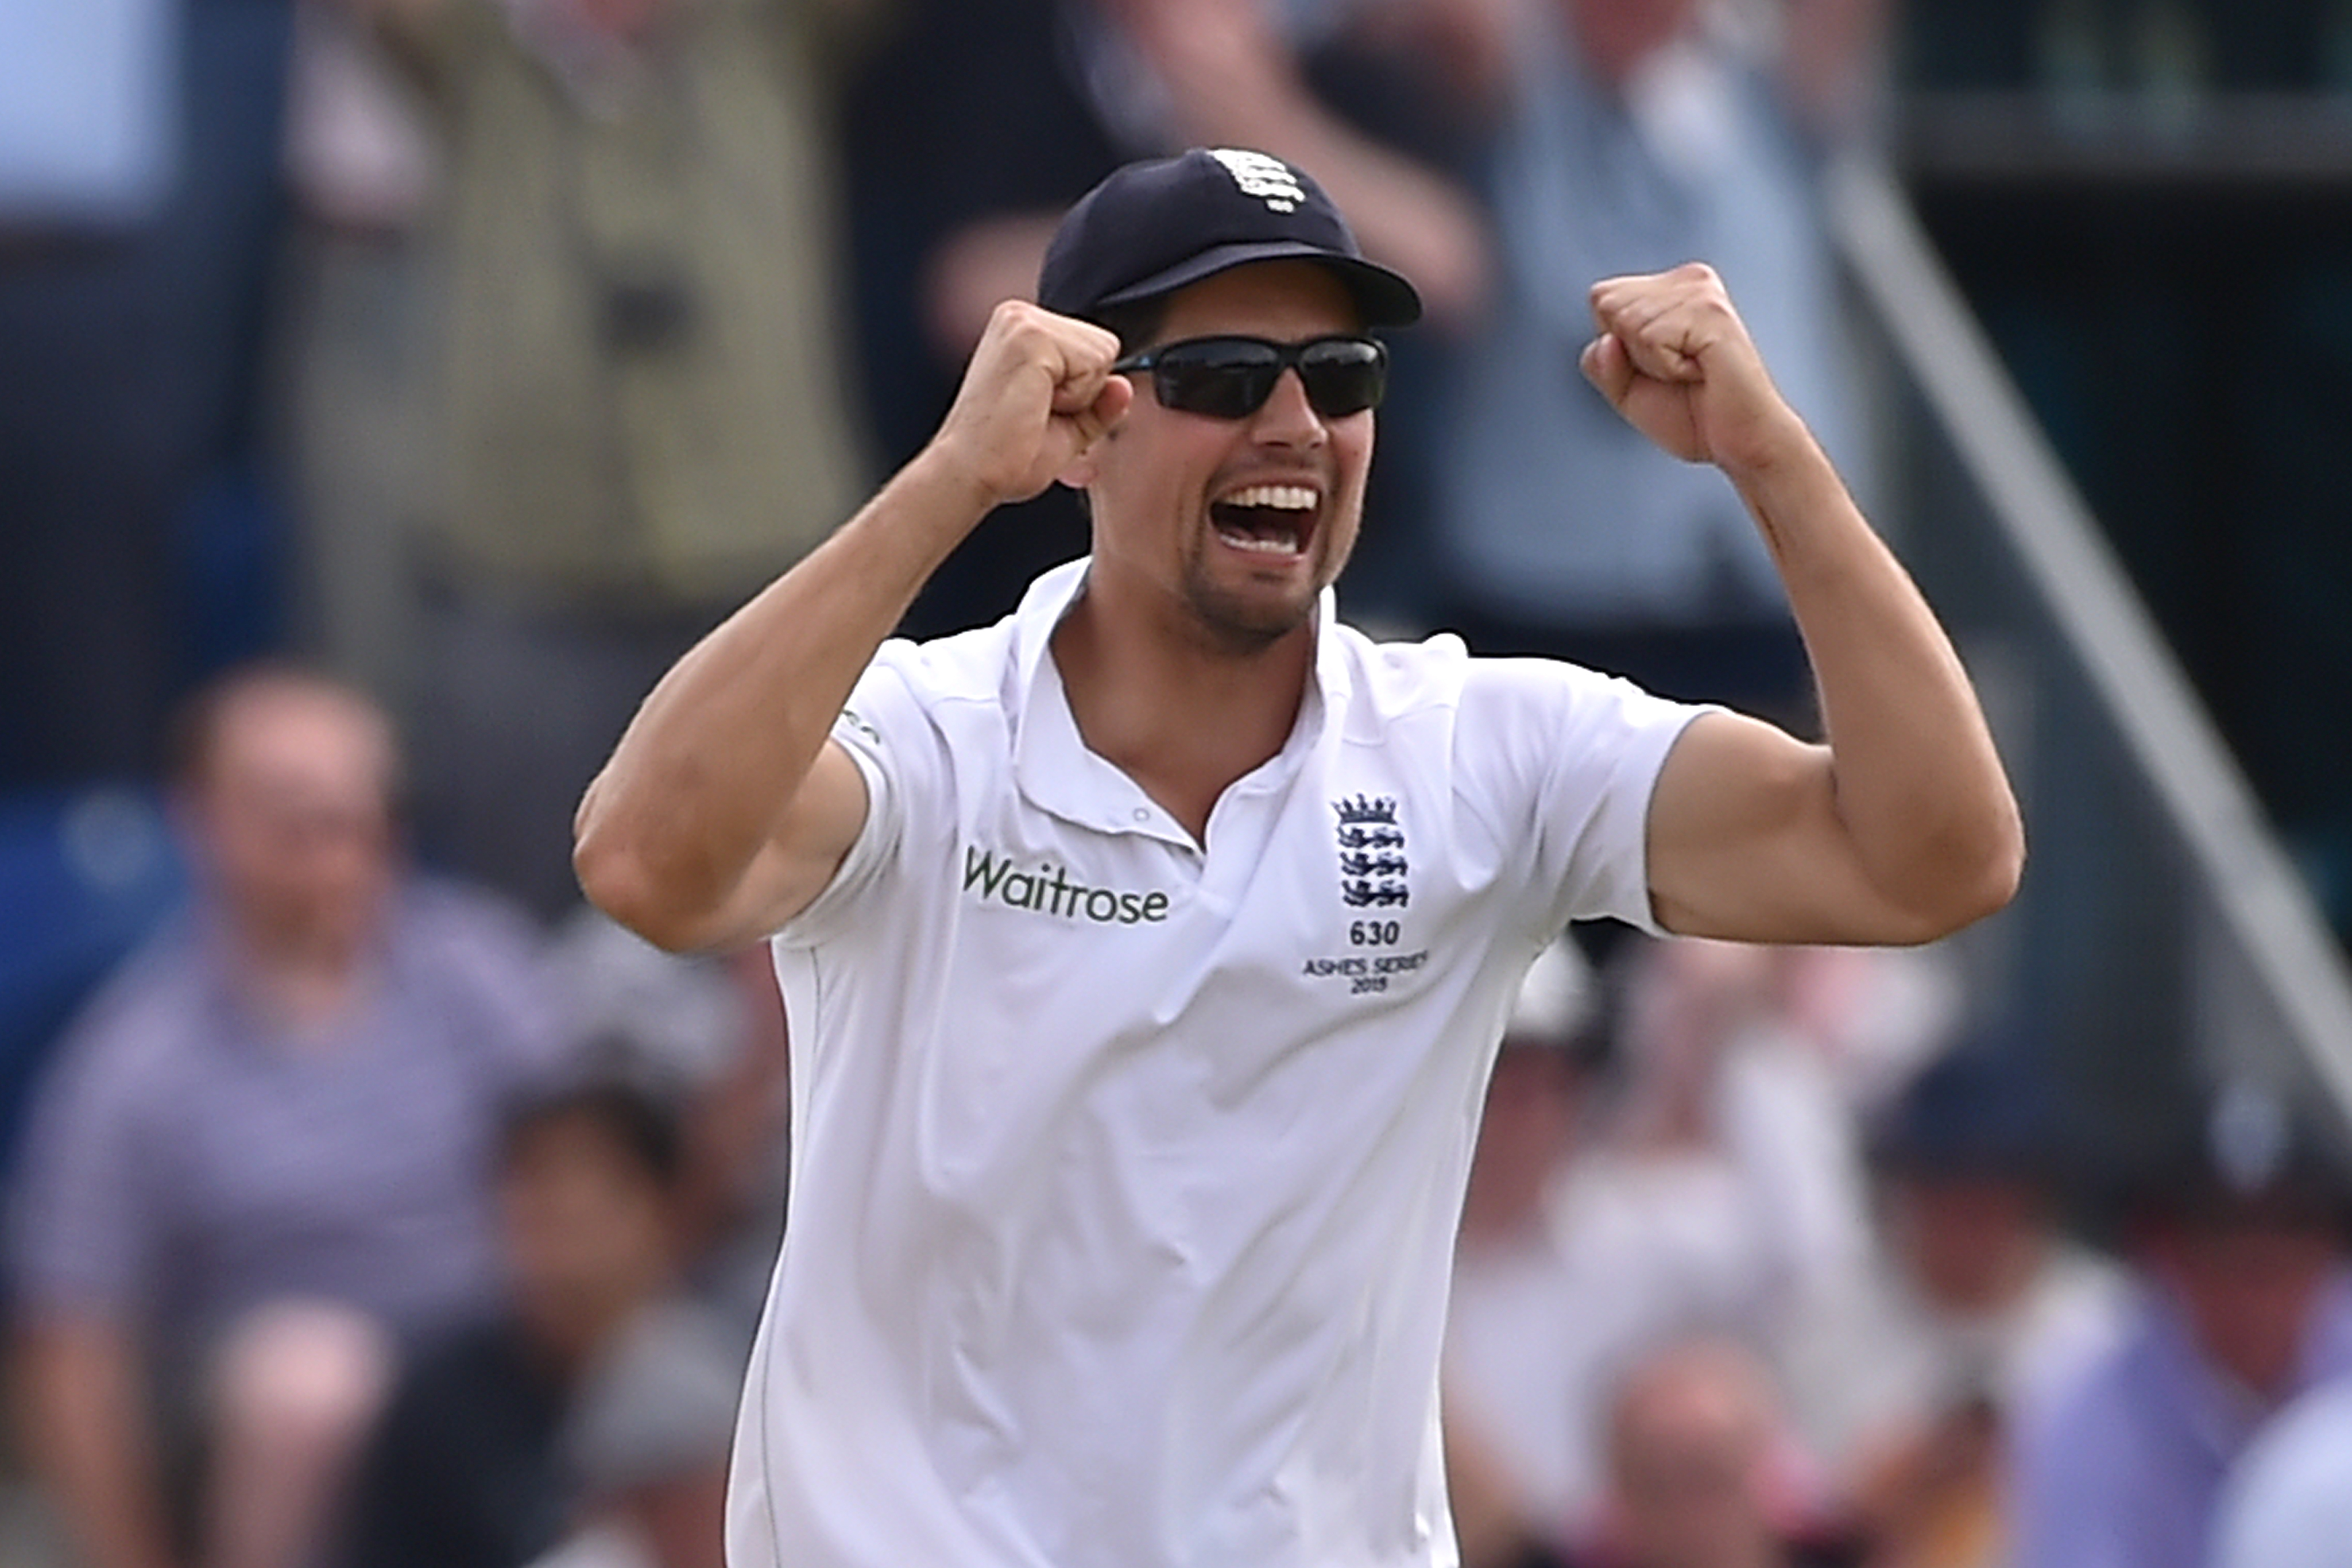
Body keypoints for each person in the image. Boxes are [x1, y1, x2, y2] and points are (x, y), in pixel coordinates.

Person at [571, 145, 2022, 1566]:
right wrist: (949, 483)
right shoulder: (921, 737)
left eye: (1340, 380)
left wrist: (1773, 461)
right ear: (1085, 415)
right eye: (1220, 379)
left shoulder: (1477, 749)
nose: (1294, 425)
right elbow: (646, 864)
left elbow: (1932, 863)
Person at [5, 664, 572, 1568]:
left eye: (362, 809)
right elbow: (72, 1337)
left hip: (505, 1367)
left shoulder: (482, 969)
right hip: (269, 1417)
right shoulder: (136, 1056)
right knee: (310, 1384)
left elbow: (593, 1172)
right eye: (294, 812)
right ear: (203, 819)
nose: (337, 843)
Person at [336, 1078, 738, 1568]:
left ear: (662, 1210)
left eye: (588, 1201)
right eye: (534, 1194)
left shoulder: (733, 1381)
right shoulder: (439, 1398)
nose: (560, 1232)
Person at [2004, 1076, 2352, 1568]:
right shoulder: (2088, 1414)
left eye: (2281, 1256)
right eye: (2224, 1253)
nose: (2255, 1292)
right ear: (2162, 1255)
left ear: (2331, 1254)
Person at [1569, 1337, 1863, 1568]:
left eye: (1707, 1477)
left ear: (1769, 1471)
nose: (1685, 1517)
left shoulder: (1860, 1554)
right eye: (1654, 1488)